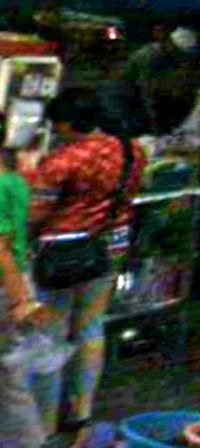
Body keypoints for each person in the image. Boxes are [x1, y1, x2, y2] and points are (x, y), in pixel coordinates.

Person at [25, 87, 146, 446]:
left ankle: (46, 423)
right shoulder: (132, 149)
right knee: (92, 328)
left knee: (52, 335)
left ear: (67, 123)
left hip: (60, 254)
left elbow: (36, 213)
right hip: (111, 244)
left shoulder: (63, 160)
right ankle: (82, 414)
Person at [0, 118, 48, 447]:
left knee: (10, 374)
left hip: (6, 286)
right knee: (10, 370)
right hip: (18, 278)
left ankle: (27, 440)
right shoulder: (16, 180)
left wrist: (21, 300)